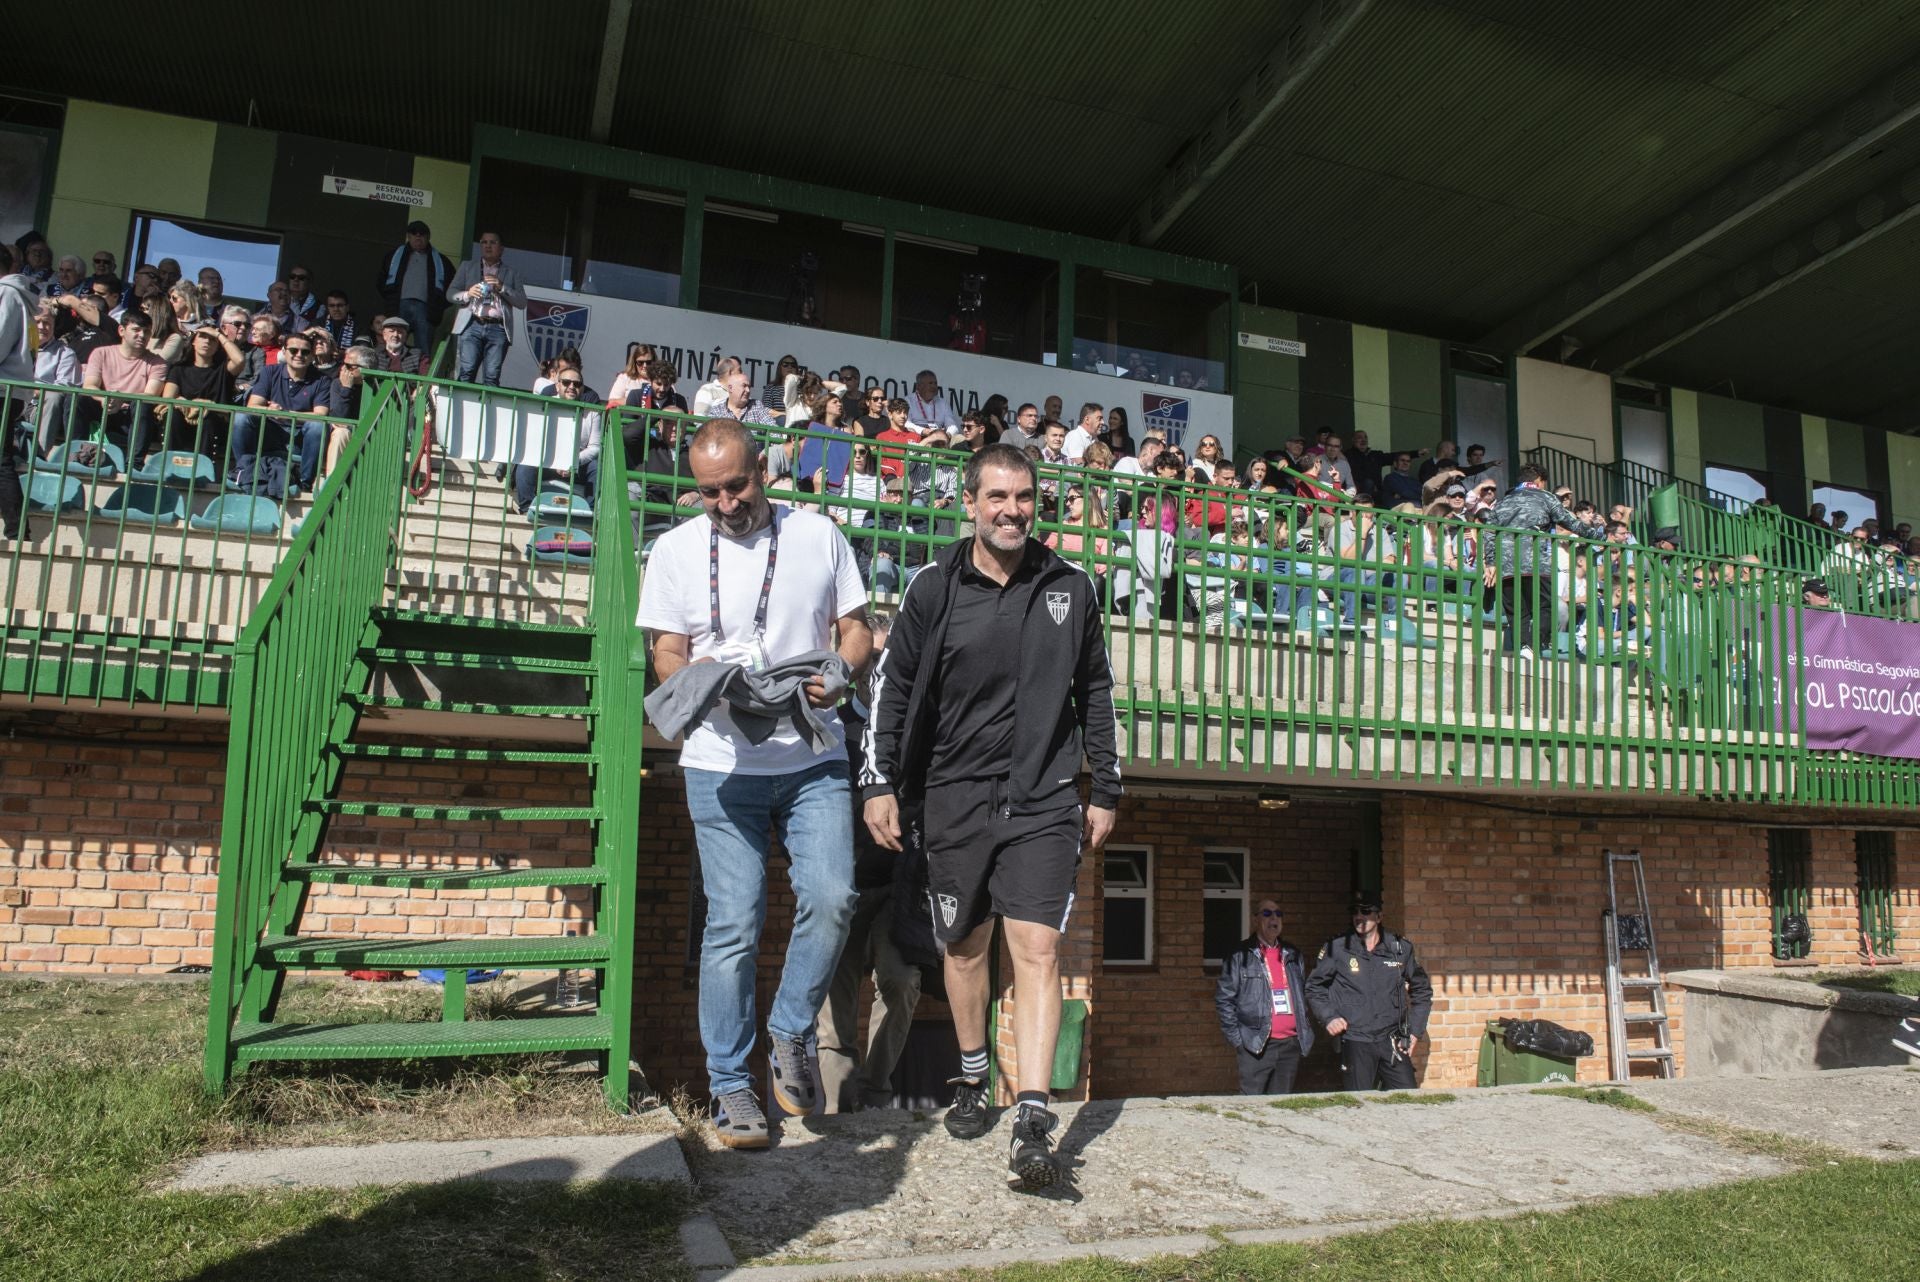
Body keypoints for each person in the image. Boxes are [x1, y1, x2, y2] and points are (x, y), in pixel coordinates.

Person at [860, 442, 1122, 1191]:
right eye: (997, 497)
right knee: (966, 948)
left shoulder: (1072, 584)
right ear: (970, 502)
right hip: (953, 796)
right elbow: (894, 685)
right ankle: (974, 1074)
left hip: (1043, 798)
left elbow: (1095, 690)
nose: (1012, 511)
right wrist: (878, 781)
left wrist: (1104, 786)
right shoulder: (933, 586)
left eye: (1025, 498)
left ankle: (1033, 1119)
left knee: (1036, 949)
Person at [636, 419, 873, 1150]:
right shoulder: (674, 549)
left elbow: (858, 630)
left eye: (736, 486)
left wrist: (839, 674)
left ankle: (792, 1030)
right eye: (709, 492)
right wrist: (714, 689)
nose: (725, 503)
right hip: (720, 764)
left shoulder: (819, 533)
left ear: (763, 469)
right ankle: (732, 1091)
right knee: (733, 926)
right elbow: (667, 654)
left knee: (834, 896)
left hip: (812, 754)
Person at [817, 610, 925, 1113]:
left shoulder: (913, 725)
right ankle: (840, 1108)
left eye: (889, 658)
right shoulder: (831, 725)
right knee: (834, 1006)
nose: (879, 667)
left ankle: (877, 1092)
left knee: (902, 980)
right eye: (874, 656)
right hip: (843, 882)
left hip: (898, 884)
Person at [1305, 896, 1433, 1092]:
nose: (1359, 917)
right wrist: (1329, 1017)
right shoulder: (1337, 947)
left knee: (1408, 1099)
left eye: (1366, 912)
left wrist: (1415, 1031)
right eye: (1355, 912)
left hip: (1392, 1040)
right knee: (1359, 1103)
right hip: (1356, 1039)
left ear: (1379, 916)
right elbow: (1314, 987)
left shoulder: (1399, 948)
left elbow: (1422, 990)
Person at [1482, 464, 1605, 661]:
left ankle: (1524, 647)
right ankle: (1534, 645)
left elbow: (1488, 532)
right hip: (1536, 561)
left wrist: (1490, 562)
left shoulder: (1503, 501)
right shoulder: (1545, 496)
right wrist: (1597, 534)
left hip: (1506, 563)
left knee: (1516, 610)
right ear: (1539, 480)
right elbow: (1570, 522)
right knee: (1545, 606)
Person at [1214, 898, 1316, 1095]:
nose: (1274, 918)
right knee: (1253, 1107)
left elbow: (1301, 993)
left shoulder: (1293, 954)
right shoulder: (1239, 955)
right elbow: (1224, 999)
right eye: (1267, 913)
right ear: (1255, 919)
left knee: (1281, 1107)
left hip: (1290, 1045)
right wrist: (1238, 1041)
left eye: (1278, 914)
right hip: (1256, 1046)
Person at [235, 330, 334, 497]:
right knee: (241, 418)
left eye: (305, 352)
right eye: (293, 350)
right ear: (284, 351)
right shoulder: (269, 372)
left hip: (300, 437)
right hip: (271, 431)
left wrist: (285, 414)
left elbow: (320, 415)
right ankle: (244, 470)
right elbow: (253, 405)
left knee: (317, 426)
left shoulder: (322, 380)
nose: (299, 355)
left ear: (311, 356)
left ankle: (305, 481)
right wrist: (270, 411)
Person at [79, 310, 167, 464]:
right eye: (136, 330)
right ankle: (75, 451)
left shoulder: (157, 362)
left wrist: (121, 399)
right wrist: (105, 399)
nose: (142, 335)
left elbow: (151, 395)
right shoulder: (101, 353)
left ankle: (135, 463)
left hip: (130, 416)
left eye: (146, 332)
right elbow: (89, 385)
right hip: (104, 407)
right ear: (121, 330)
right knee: (78, 398)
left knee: (143, 405)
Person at [448, 232, 525, 387]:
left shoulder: (511, 273)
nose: (488, 246)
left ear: (501, 248)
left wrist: (502, 287)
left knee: (491, 376)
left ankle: (487, 410)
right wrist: (467, 294)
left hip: (498, 328)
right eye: (484, 242)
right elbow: (450, 294)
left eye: (493, 242)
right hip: (472, 324)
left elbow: (522, 302)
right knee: (466, 371)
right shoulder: (467, 266)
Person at [378, 219, 456, 348]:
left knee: (423, 348)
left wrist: (437, 306)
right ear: (408, 236)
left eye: (422, 233)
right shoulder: (393, 256)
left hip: (426, 310)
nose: (418, 236)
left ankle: (422, 369)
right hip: (399, 307)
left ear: (428, 237)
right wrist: (390, 300)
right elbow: (381, 281)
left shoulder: (441, 261)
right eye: (414, 233)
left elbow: (453, 288)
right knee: (393, 346)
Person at [0, 246, 33, 541]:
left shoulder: (7, 294)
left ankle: (17, 531)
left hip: (2, 389)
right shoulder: (20, 295)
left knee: (0, 462)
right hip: (11, 390)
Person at [905, 369, 960, 433]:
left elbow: (952, 425)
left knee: (959, 438)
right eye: (930, 383)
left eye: (935, 383)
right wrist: (923, 431)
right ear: (919, 386)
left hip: (939, 438)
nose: (934, 386)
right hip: (917, 435)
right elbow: (906, 423)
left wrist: (948, 434)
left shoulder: (943, 403)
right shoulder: (908, 401)